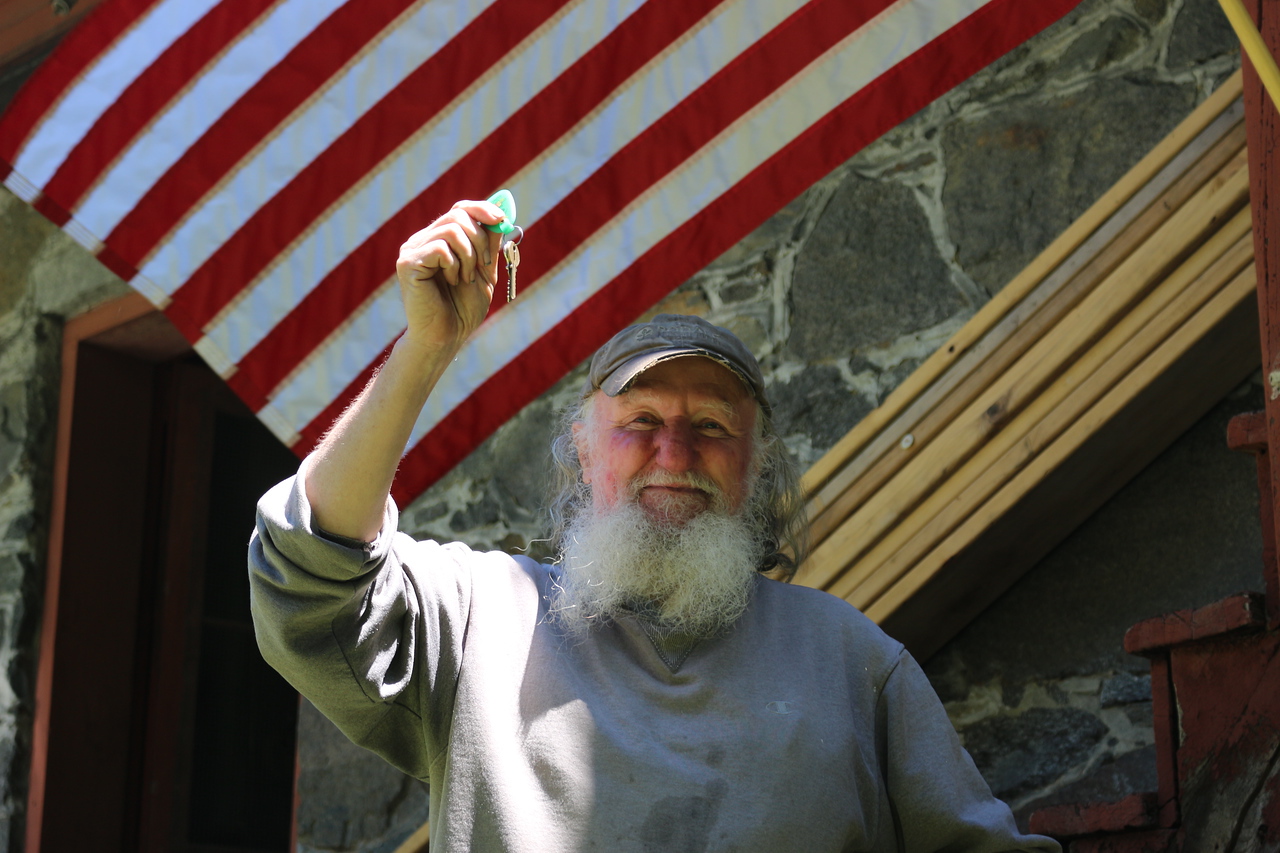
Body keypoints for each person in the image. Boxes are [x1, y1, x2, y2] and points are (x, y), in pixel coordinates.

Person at [249, 199, 1061, 852]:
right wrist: (425, 348)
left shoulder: (853, 660)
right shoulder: (483, 617)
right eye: (639, 419)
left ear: (756, 463)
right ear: (582, 449)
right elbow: (308, 574)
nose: (674, 452)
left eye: (711, 425)